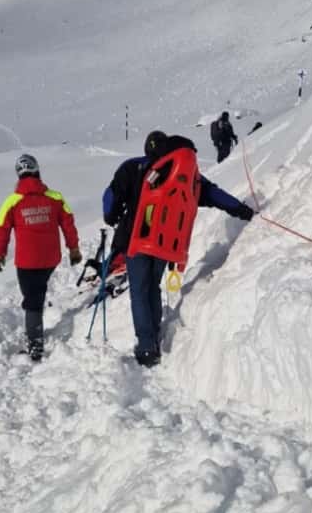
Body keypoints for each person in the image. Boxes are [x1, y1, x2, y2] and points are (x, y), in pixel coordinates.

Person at [102, 131, 254, 367]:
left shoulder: (134, 167)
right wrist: (242, 210)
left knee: (140, 292)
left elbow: (111, 197)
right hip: (166, 244)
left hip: (137, 240)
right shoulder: (185, 175)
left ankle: (146, 346)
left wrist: (110, 217)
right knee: (152, 286)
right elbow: (214, 194)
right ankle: (153, 333)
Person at [0, 153, 82, 362]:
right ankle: (38, 318)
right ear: (37, 171)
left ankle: (35, 345)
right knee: (37, 291)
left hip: (27, 261)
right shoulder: (55, 197)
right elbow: (68, 223)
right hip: (51, 258)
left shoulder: (12, 202)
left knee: (32, 300)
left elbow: (1, 228)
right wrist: (74, 249)